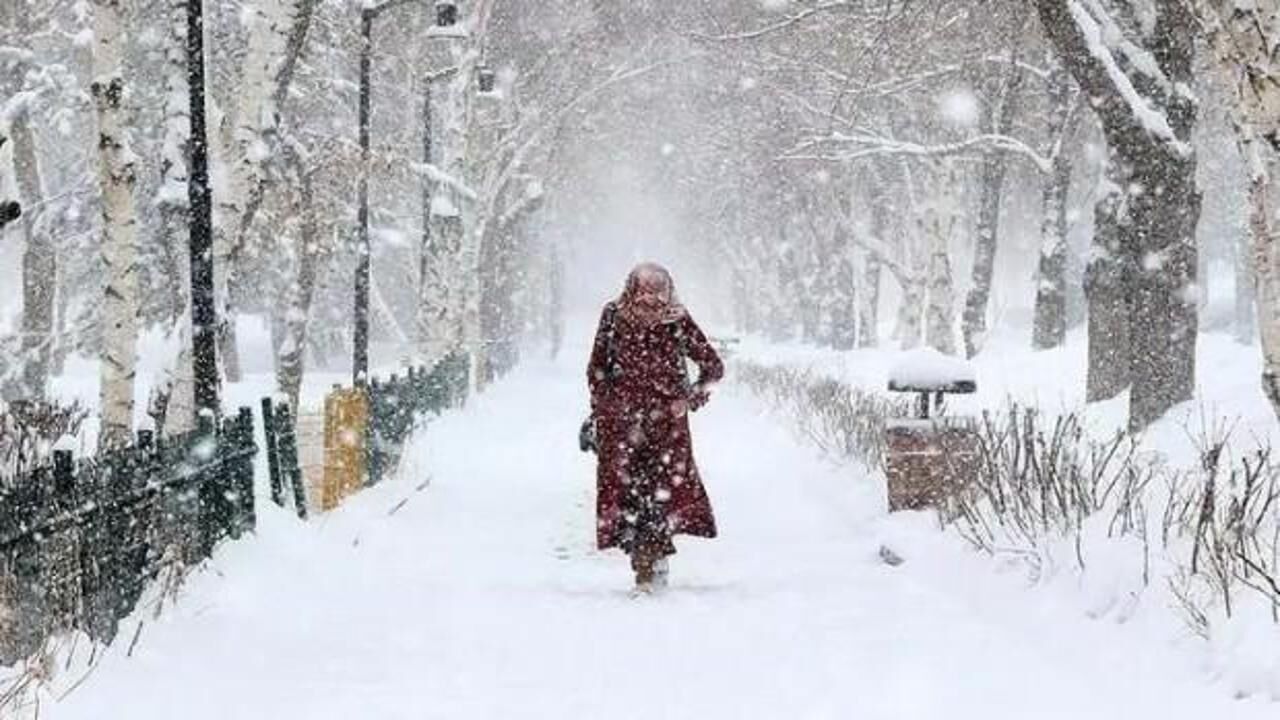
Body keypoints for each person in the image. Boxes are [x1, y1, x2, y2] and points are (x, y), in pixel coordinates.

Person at [587, 262, 723, 594]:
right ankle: (645, 565)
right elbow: (597, 368)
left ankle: (650, 565)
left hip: (665, 430)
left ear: (668, 290)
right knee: (632, 497)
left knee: (657, 496)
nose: (651, 299)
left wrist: (691, 398)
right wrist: (605, 407)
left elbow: (712, 366)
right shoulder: (614, 316)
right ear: (631, 289)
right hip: (623, 427)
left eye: (657, 291)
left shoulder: (676, 320)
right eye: (644, 290)